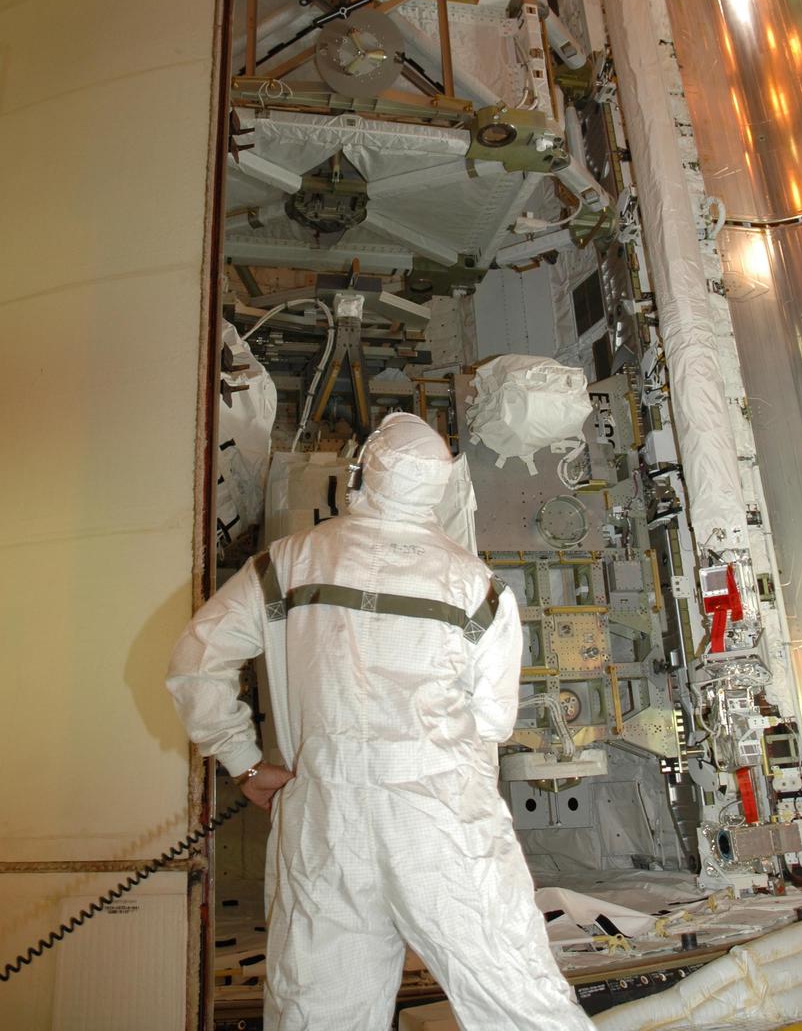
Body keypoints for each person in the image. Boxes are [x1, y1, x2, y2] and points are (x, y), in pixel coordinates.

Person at [167, 412, 593, 1031]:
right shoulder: (479, 589)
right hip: (440, 822)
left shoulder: (285, 563)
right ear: (441, 489)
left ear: (359, 474)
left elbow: (196, 661)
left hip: (324, 821)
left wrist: (244, 760)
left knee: (319, 1012)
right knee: (517, 1001)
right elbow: (494, 721)